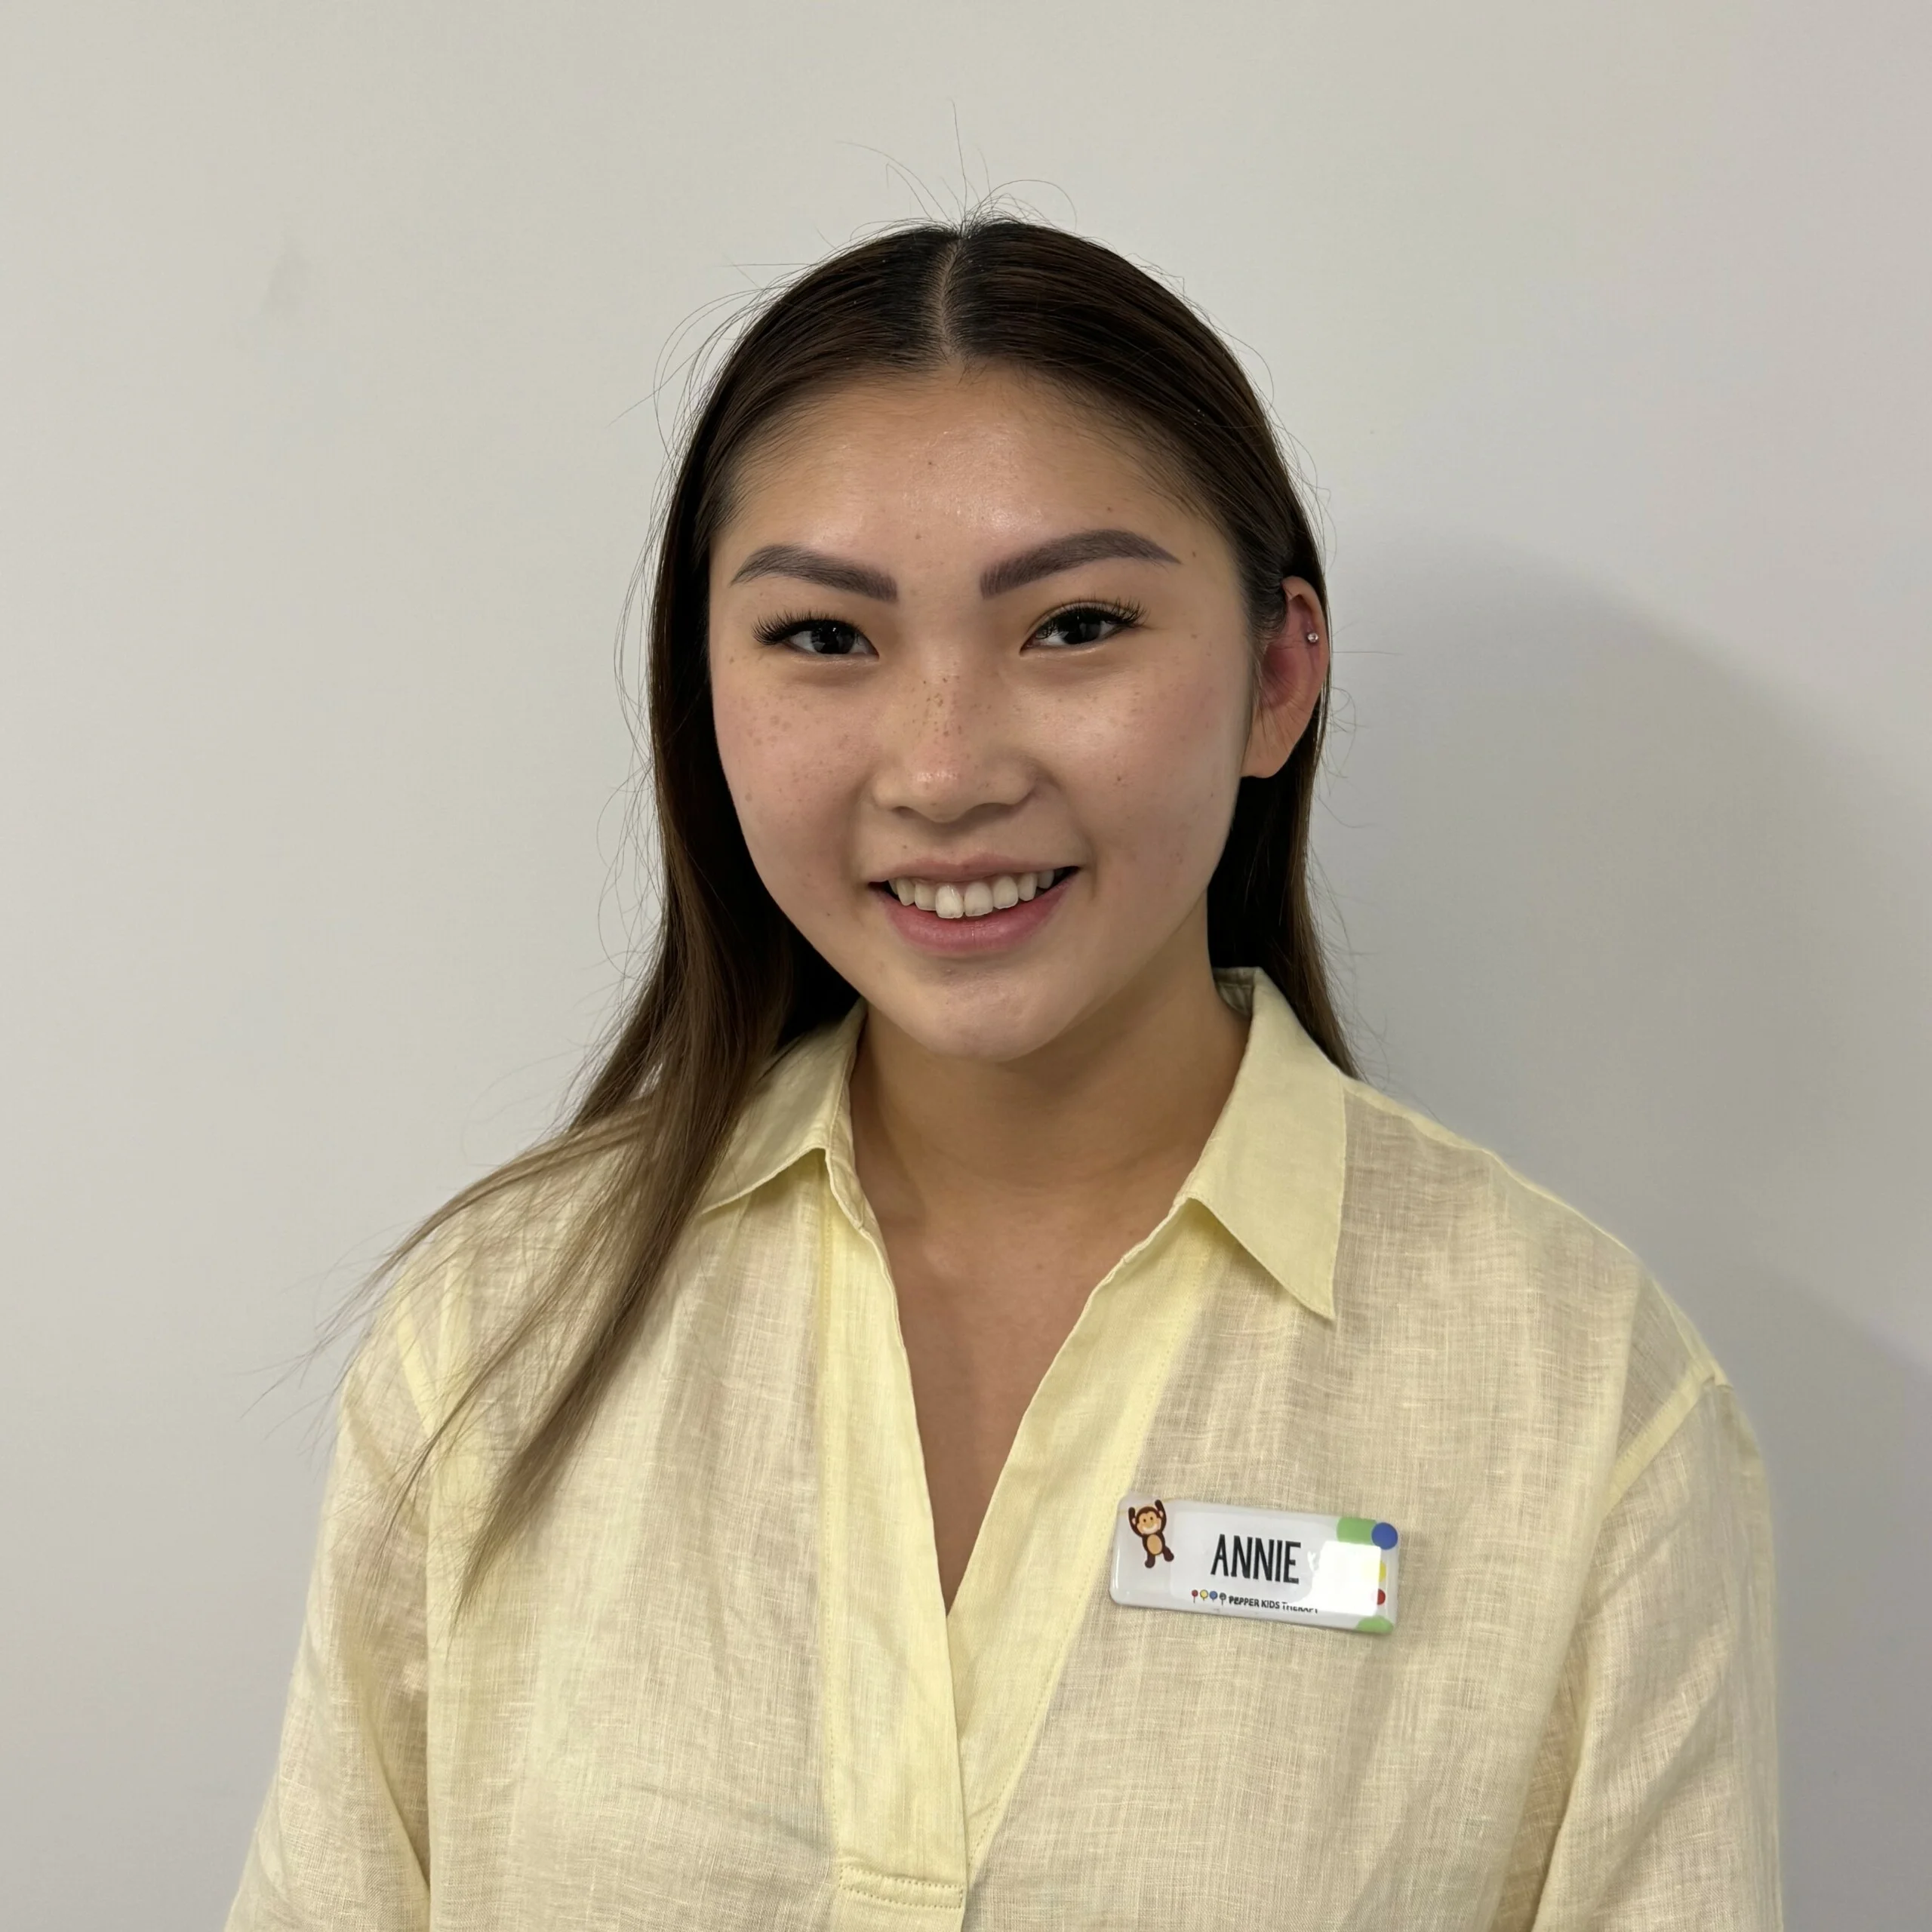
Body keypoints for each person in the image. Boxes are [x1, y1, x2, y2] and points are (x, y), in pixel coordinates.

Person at [226, 218, 1780, 1930]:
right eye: (825, 637)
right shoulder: (493, 1335)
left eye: (1074, 623)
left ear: (1276, 675)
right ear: (704, 693)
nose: (944, 768)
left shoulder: (1576, 1398)